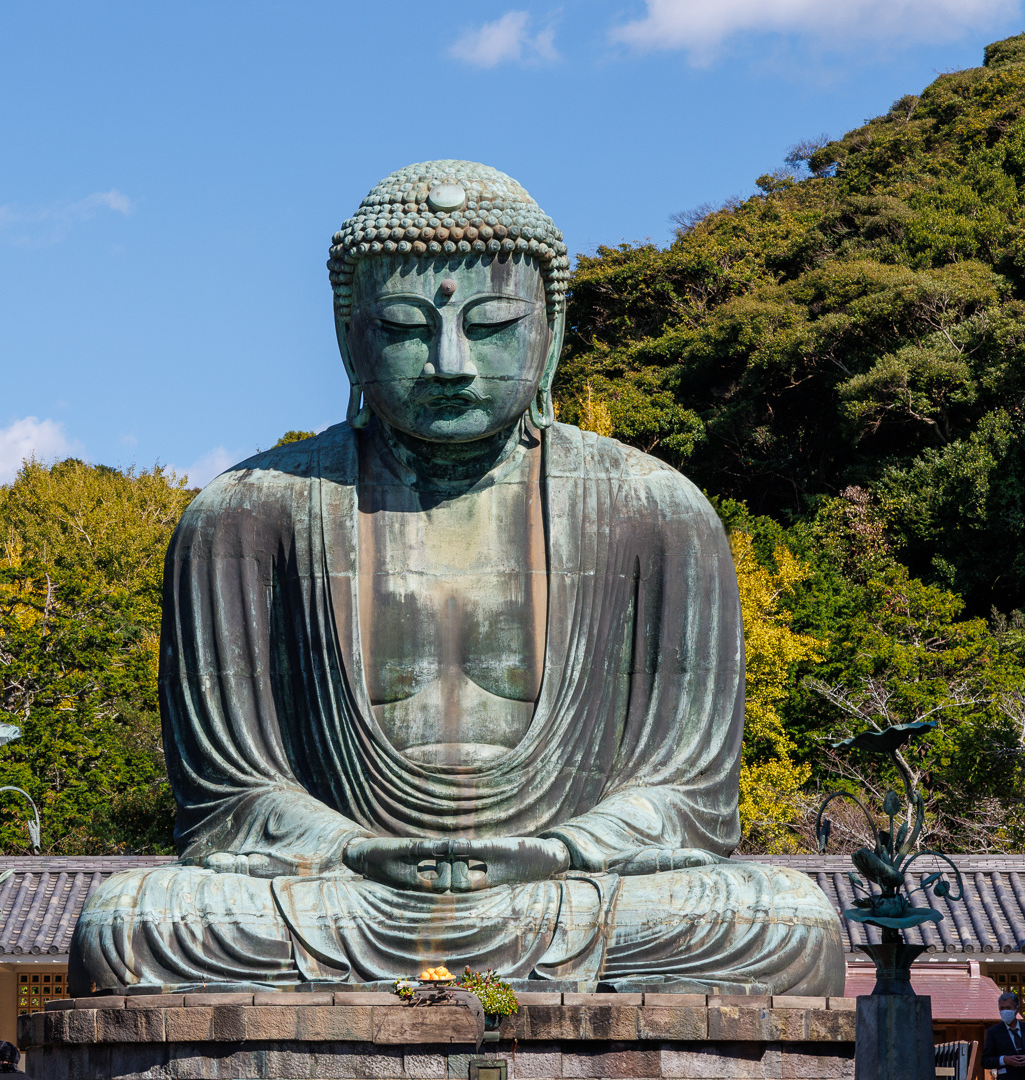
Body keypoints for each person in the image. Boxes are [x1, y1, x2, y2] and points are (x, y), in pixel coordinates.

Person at [69, 160, 845, 995]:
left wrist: (557, 851)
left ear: (550, 330)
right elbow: (229, 802)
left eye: (493, 324)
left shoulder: (657, 511)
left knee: (784, 921)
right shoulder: (245, 516)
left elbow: (686, 799)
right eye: (405, 327)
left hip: (569, 889)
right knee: (134, 922)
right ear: (348, 335)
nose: (449, 362)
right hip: (345, 890)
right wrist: (351, 847)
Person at [983, 993, 1025, 1079]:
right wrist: (1004, 1060)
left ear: (1017, 1009)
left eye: (1008, 1008)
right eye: (1002, 1008)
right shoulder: (993, 1032)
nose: (1005, 1011)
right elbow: (985, 1061)